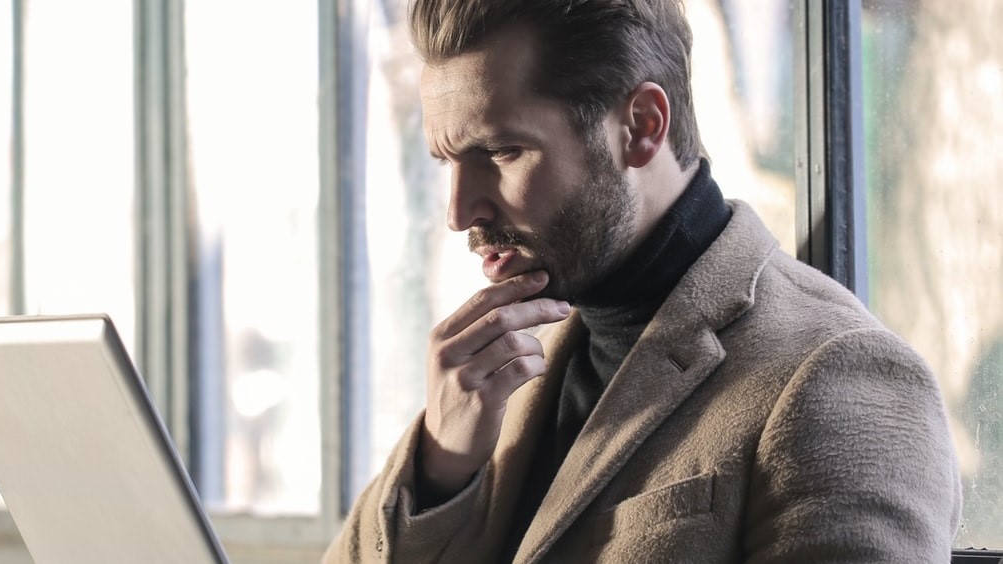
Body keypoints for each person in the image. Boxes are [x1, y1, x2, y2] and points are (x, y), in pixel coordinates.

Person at [324, 0, 962, 562]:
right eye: (447, 161)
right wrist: (441, 468)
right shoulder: (505, 363)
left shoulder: (839, 375)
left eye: (499, 153)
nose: (460, 211)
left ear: (642, 126)